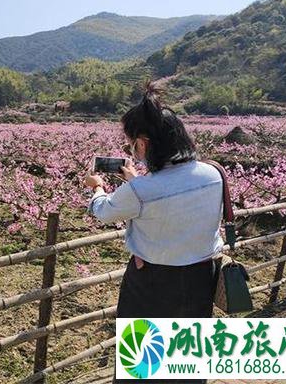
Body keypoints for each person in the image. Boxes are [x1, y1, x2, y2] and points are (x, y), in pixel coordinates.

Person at [84, 83, 223, 384]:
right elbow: (174, 205)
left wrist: (96, 186)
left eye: (131, 143)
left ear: (143, 143)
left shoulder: (141, 190)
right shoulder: (214, 174)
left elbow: (103, 211)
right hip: (201, 276)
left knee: (142, 364)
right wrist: (137, 181)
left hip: (152, 282)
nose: (131, 149)